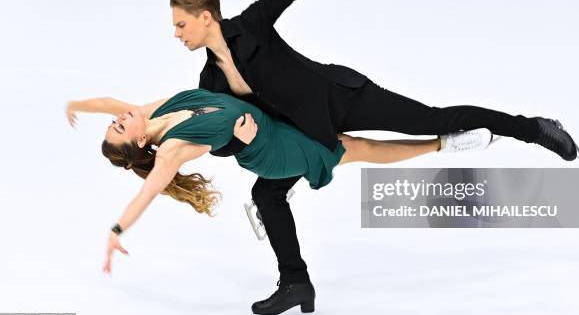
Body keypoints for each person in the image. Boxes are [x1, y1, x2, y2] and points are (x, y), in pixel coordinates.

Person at [168, 0, 579, 315]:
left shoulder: (252, 25)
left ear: (206, 17)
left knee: (432, 118)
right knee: (266, 193)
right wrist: (233, 143)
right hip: (308, 133)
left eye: (181, 25)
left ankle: (533, 129)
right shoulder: (211, 82)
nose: (176, 34)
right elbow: (218, 139)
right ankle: (296, 281)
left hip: (341, 96)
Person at [65, 89, 491, 276]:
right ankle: (443, 145)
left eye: (114, 123)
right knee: (352, 148)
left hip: (269, 119)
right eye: (118, 127)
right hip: (271, 150)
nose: (117, 118)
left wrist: (73, 103)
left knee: (346, 133)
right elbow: (148, 191)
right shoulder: (173, 146)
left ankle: (279, 193)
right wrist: (117, 230)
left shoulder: (150, 111)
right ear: (140, 140)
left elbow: (105, 102)